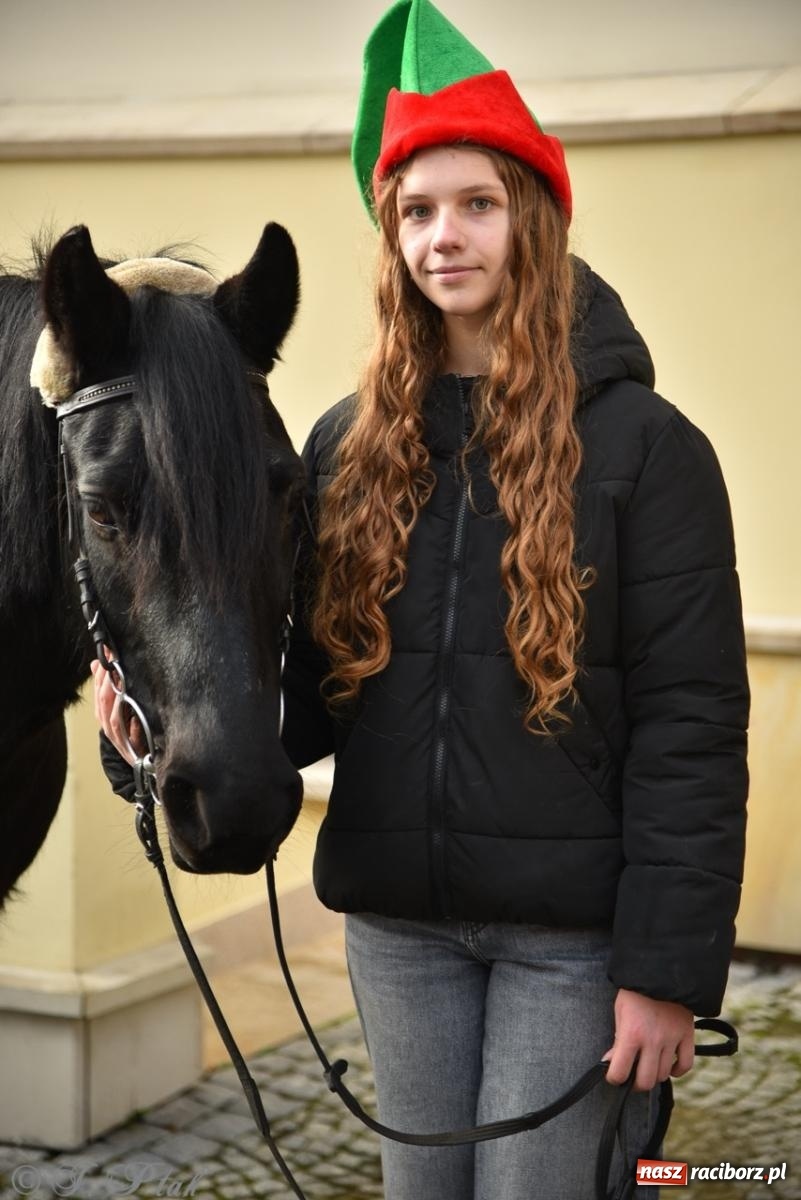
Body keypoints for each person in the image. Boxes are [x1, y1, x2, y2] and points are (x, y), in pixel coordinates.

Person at [95, 2, 749, 1196]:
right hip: (399, 936)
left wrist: (664, 976)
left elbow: (693, 730)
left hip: (572, 945)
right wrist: (156, 733)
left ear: (532, 217)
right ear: (391, 233)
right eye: (416, 210)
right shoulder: (348, 448)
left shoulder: (650, 452)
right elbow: (310, 698)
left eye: (477, 204)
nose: (445, 236)